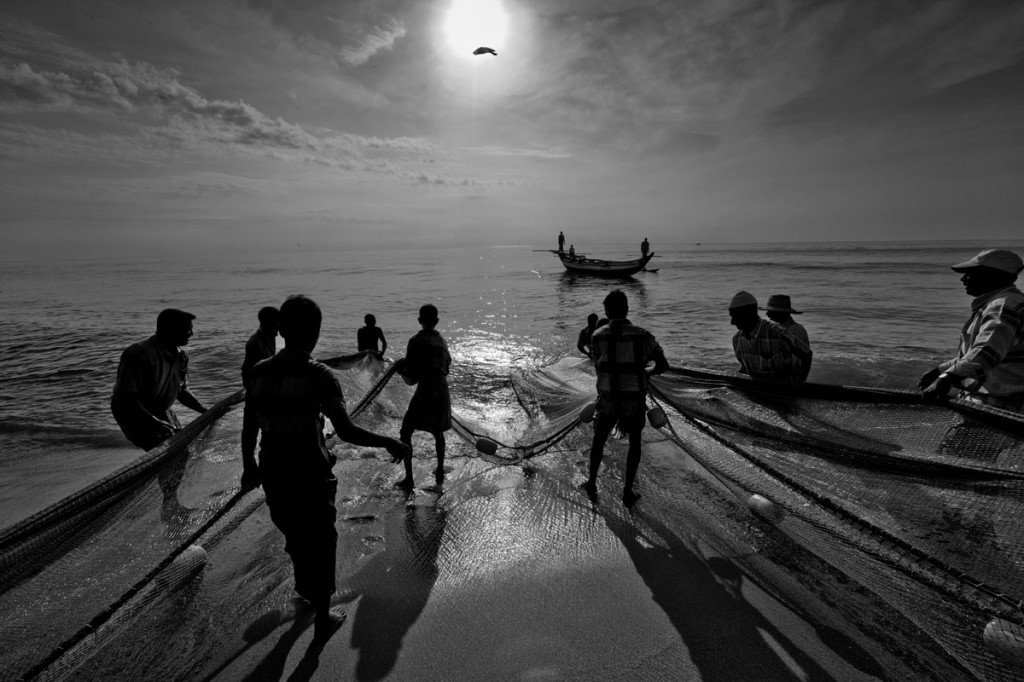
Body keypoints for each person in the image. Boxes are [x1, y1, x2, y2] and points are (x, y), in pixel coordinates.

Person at [241, 295, 409, 644]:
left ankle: (306, 591)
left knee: (294, 535)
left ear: (282, 330)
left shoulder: (259, 373)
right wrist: (388, 442)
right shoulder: (321, 376)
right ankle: (322, 616)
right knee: (321, 541)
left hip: (273, 469)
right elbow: (346, 431)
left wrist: (248, 467)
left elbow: (249, 429)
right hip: (311, 473)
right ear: (316, 332)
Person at [582, 290, 669, 507]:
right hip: (633, 403)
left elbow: (598, 364)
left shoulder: (596, 336)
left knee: (599, 441)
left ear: (607, 311)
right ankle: (627, 491)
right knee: (635, 444)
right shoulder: (644, 336)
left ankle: (591, 482)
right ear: (627, 309)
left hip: (608, 401)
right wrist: (645, 372)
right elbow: (663, 364)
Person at [919, 249, 1024, 412]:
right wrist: (941, 369)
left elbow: (987, 351)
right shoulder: (1004, 304)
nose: (963, 279)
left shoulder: (1003, 307)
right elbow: (979, 352)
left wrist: (947, 377)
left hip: (1001, 405)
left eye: (970, 273)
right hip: (992, 401)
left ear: (992, 275)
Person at [111, 308, 208, 450]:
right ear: (171, 330)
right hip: (131, 412)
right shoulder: (138, 354)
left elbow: (181, 391)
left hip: (161, 408)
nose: (192, 334)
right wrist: (153, 422)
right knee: (166, 449)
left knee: (180, 446)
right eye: (187, 329)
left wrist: (205, 411)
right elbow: (125, 397)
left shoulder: (181, 356)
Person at [395, 304, 452, 488]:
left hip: (426, 389)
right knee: (438, 432)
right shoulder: (442, 342)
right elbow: (446, 368)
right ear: (436, 321)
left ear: (420, 321)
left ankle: (409, 478)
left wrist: (400, 370)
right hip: (442, 390)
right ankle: (440, 472)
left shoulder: (415, 341)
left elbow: (412, 379)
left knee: (406, 432)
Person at [728, 291, 801, 382]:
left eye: (736, 316)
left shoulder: (779, 334)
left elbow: (806, 355)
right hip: (756, 391)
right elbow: (745, 368)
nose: (732, 322)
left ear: (749, 314)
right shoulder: (737, 340)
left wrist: (799, 386)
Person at [764, 294, 812, 382]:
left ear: (782, 313)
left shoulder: (797, 330)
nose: (767, 314)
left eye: (771, 311)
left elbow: (803, 359)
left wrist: (800, 383)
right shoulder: (772, 328)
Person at [241, 306, 279, 389]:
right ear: (269, 323)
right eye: (277, 322)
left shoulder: (269, 336)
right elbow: (247, 370)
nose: (279, 326)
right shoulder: (255, 343)